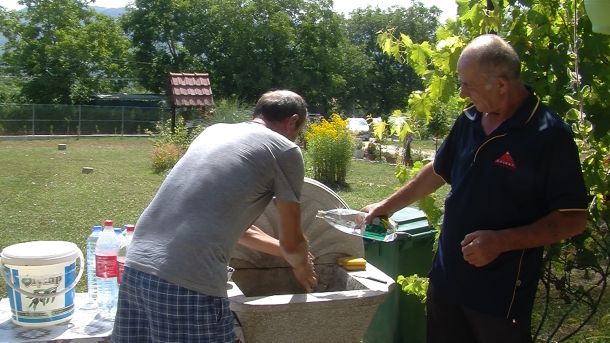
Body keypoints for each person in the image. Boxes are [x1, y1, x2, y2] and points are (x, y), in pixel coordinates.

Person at [362, 34, 588, 343]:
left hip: (499, 292)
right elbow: (437, 171)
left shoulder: (548, 135)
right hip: (446, 280)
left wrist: (500, 242)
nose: (462, 94)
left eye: (468, 85)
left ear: (501, 84)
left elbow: (572, 218)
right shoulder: (469, 120)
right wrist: (386, 206)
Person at [112, 90, 318, 343]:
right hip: (188, 283)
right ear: (293, 121)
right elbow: (293, 242)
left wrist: (287, 254)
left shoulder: (215, 131)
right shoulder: (284, 149)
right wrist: (301, 265)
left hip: (137, 268)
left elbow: (242, 230)